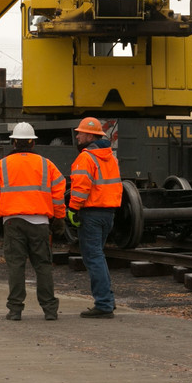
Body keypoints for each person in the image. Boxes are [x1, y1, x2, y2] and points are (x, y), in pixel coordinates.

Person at [0, 122, 66, 321]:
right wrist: (59, 217)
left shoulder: (2, 165)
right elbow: (58, 193)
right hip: (40, 222)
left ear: (13, 143)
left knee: (16, 266)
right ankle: (50, 310)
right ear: (33, 143)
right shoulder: (47, 165)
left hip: (12, 222)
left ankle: (15, 310)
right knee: (43, 265)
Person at [67, 116, 122, 318]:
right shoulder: (110, 157)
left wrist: (72, 209)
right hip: (108, 212)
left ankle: (104, 304)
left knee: (93, 258)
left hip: (91, 213)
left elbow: (80, 188)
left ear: (90, 135)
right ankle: (108, 299)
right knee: (98, 256)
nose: (77, 135)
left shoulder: (86, 158)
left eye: (80, 132)